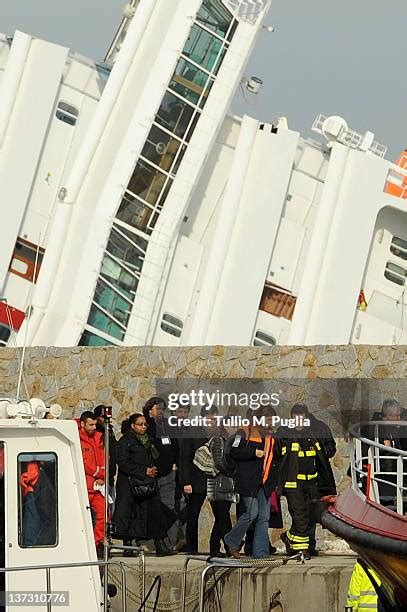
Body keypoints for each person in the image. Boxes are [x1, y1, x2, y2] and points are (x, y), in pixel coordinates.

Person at [277, 404, 336, 560]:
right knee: (300, 516)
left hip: (311, 483)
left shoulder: (314, 433)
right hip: (293, 483)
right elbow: (278, 454)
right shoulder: (284, 433)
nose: (298, 421)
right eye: (295, 417)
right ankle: (301, 551)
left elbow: (325, 453)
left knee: (309, 516)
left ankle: (293, 540)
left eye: (301, 417)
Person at [112, 413, 176, 557]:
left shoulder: (148, 441)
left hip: (147, 484)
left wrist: (154, 469)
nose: (143, 427)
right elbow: (122, 462)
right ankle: (128, 546)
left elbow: (155, 457)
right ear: (133, 426)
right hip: (130, 484)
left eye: (145, 424)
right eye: (140, 424)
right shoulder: (125, 441)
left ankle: (160, 544)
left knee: (155, 513)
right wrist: (143, 470)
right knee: (129, 514)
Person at [223, 406, 278, 559]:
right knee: (251, 514)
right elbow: (235, 451)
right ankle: (231, 540)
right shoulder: (244, 431)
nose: (270, 421)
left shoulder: (271, 436)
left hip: (265, 484)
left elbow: (274, 460)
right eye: (268, 418)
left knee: (264, 517)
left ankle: (261, 553)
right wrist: (254, 452)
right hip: (248, 482)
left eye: (272, 419)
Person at [178, 406, 232, 555]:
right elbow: (184, 459)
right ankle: (191, 546)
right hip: (196, 481)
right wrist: (186, 482)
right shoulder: (193, 432)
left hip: (216, 480)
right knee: (193, 514)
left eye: (214, 417)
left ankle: (219, 547)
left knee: (222, 515)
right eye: (208, 417)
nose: (211, 420)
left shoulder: (221, 433)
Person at [142, 397, 179, 548]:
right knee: (153, 509)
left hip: (168, 474)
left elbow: (175, 445)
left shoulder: (167, 426)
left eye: (163, 409)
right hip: (152, 476)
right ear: (150, 410)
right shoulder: (145, 426)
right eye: (158, 409)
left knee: (169, 507)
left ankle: (168, 542)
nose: (161, 412)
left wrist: (174, 464)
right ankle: (151, 541)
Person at [77, 411, 107, 557]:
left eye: (95, 424)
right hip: (84, 486)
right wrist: (99, 473)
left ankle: (97, 543)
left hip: (97, 487)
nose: (94, 427)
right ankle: (81, 545)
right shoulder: (76, 438)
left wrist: (101, 474)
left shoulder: (99, 438)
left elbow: (104, 458)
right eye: (91, 424)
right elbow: (83, 463)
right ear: (82, 424)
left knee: (104, 514)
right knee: (80, 517)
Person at [94, 405, 117, 511]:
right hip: (100, 478)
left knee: (111, 507)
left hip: (110, 475)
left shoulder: (109, 431)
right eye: (103, 417)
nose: (106, 420)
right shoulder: (96, 434)